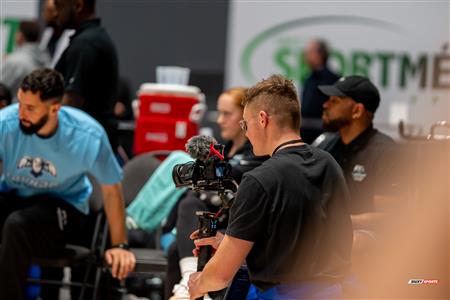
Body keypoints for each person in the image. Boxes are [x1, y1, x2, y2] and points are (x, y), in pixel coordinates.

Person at [187, 75, 353, 299]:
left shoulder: (259, 179)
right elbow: (296, 248)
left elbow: (221, 276)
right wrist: (228, 244)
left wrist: (198, 283)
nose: (245, 132)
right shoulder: (329, 164)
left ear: (263, 119)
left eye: (245, 123)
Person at [0, 68, 135, 299]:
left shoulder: (87, 134)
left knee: (16, 224)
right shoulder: (6, 123)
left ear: (54, 109)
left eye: (30, 108)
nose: (21, 112)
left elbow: (112, 190)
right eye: (20, 103)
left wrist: (120, 246)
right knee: (14, 220)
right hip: (16, 196)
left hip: (64, 207)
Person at [168, 87, 267, 299]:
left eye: (227, 114)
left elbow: (236, 176)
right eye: (219, 113)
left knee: (190, 203)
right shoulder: (223, 149)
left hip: (236, 223)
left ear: (245, 116)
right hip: (213, 217)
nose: (220, 120)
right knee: (177, 245)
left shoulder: (256, 152)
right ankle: (188, 279)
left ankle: (190, 282)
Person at [315, 76, 404, 296]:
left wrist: (340, 222)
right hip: (328, 230)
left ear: (357, 110)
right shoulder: (326, 144)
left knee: (352, 240)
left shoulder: (386, 152)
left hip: (367, 238)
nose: (325, 104)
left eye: (335, 101)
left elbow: (389, 215)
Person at [54, 0, 119, 152]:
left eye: (59, 6)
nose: (56, 13)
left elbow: (71, 103)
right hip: (93, 142)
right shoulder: (93, 38)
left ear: (78, 5)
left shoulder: (85, 44)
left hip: (87, 147)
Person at [301, 39, 340, 144]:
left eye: (309, 52)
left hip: (323, 136)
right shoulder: (308, 79)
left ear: (320, 54)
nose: (305, 56)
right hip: (305, 136)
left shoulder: (333, 79)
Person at [1, 20, 50, 102]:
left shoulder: (15, 61)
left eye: (17, 32)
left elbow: (1, 89)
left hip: (16, 110)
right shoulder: (46, 58)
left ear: (20, 35)